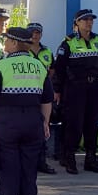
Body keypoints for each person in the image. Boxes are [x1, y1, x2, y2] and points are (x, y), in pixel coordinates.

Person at [0, 27, 53, 195]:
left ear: (14, 43)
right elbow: (47, 100)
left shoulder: (2, 66)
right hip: (33, 122)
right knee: (29, 168)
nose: (4, 43)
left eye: (7, 40)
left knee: (8, 167)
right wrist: (45, 122)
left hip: (7, 124)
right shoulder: (39, 66)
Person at [52, 8, 98, 175]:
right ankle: (69, 158)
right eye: (85, 20)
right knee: (74, 124)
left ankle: (91, 158)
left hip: (94, 88)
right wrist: (57, 90)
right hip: (75, 88)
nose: (89, 22)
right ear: (77, 23)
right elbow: (59, 69)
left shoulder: (97, 40)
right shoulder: (68, 42)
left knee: (93, 123)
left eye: (91, 19)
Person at [27, 22, 57, 175]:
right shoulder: (23, 51)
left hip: (43, 94)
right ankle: (29, 161)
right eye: (32, 32)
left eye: (38, 32)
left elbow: (52, 71)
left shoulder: (47, 51)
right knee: (28, 127)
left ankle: (42, 161)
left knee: (44, 127)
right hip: (27, 94)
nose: (35, 35)